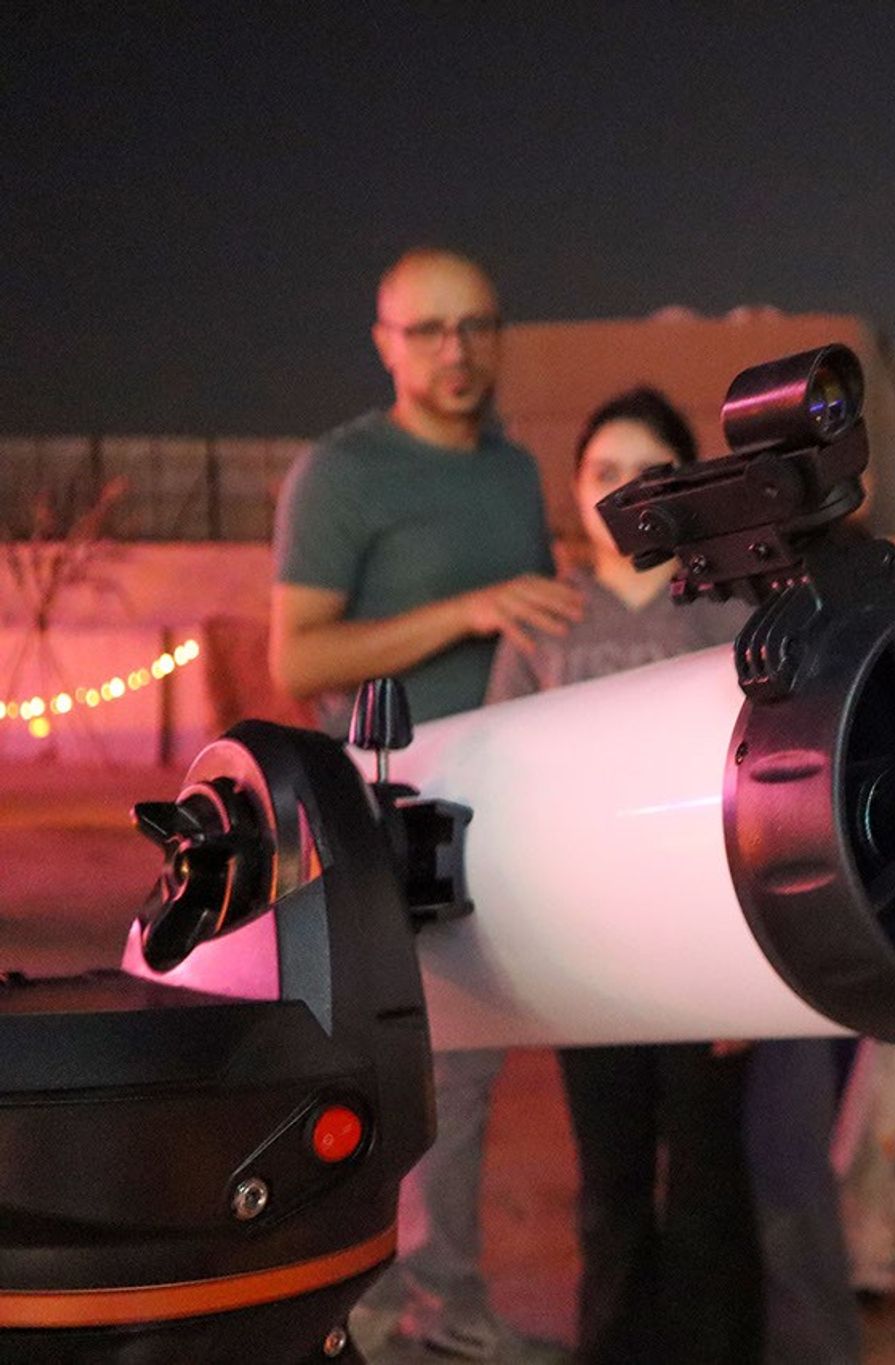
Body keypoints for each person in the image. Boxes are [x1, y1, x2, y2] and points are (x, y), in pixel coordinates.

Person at [485, 386, 862, 1365]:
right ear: (574, 489)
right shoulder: (545, 617)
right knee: (608, 1178)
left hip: (695, 952)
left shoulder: (727, 612)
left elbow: (759, 791)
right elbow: (502, 784)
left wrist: (741, 967)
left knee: (705, 1174)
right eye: (602, 473)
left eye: (645, 475)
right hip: (582, 954)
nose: (623, 493)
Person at [271, 246, 578, 1363]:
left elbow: (530, 634)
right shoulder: (341, 474)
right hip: (384, 812)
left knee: (470, 1073)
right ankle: (386, 1309)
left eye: (477, 326)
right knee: (406, 1069)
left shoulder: (508, 470)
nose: (458, 351)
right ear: (385, 343)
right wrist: (468, 607)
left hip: (494, 811)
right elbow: (296, 653)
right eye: (429, 330)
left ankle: (429, 1300)